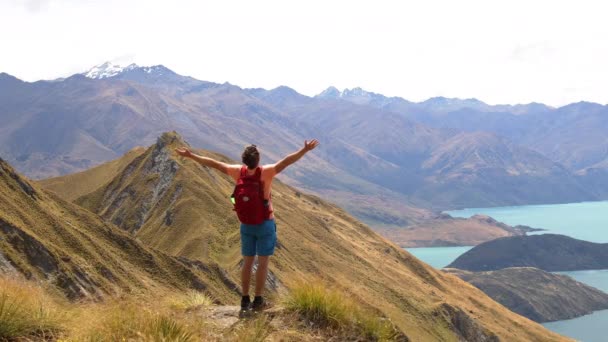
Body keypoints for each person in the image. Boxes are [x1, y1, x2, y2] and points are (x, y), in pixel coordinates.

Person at [175, 139, 319, 311]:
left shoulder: (237, 172)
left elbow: (213, 163)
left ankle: (244, 299)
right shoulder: (267, 172)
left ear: (244, 159)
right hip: (265, 223)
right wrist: (304, 150)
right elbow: (287, 161)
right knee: (263, 263)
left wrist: (191, 156)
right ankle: (258, 300)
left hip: (246, 225)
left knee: (247, 262)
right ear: (257, 159)